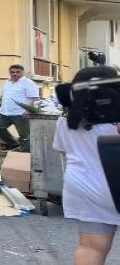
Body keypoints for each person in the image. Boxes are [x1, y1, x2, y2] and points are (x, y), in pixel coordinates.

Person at [54, 66, 120, 265]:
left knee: (91, 247)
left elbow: (62, 149)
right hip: (114, 181)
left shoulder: (66, 119)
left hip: (83, 183)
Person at [0, 64, 39, 152]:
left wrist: (28, 110)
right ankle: (13, 145)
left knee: (24, 135)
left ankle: (25, 153)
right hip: (4, 111)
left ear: (22, 72)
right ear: (9, 72)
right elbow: (2, 95)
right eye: (12, 72)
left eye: (18, 72)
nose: (15, 74)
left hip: (20, 113)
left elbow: (34, 98)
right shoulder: (7, 82)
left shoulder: (28, 83)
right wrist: (0, 100)